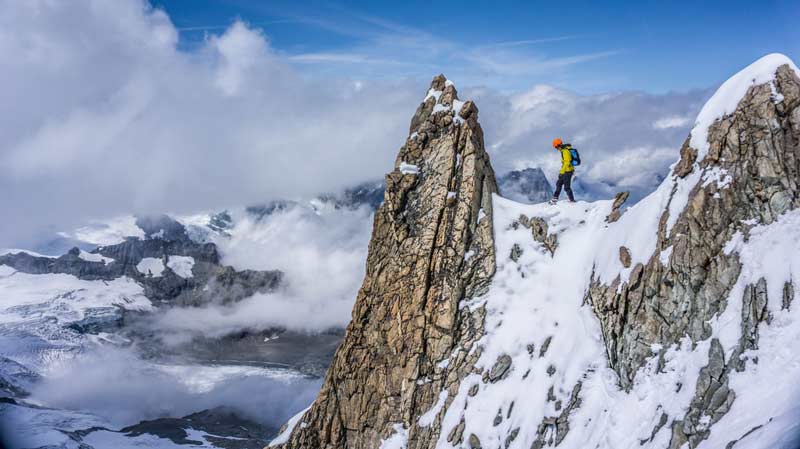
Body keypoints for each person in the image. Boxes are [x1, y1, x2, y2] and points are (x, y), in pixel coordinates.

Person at [550, 138, 575, 204]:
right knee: (558, 184)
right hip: (565, 170)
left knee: (567, 187)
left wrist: (562, 172)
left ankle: (572, 200)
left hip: (568, 171)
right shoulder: (563, 150)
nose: (556, 148)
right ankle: (555, 199)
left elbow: (567, 162)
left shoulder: (565, 151)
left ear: (558, 145)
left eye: (555, 147)